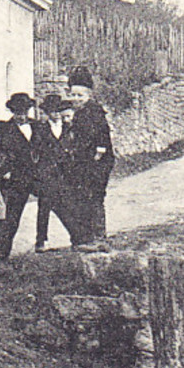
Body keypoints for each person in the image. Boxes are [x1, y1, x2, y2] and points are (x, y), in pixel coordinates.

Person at [63, 65, 116, 246]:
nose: (76, 99)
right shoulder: (76, 114)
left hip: (97, 162)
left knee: (94, 196)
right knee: (81, 197)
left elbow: (102, 135)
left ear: (89, 96)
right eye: (73, 95)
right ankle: (86, 237)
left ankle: (99, 236)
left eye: (80, 95)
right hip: (83, 162)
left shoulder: (95, 112)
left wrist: (98, 153)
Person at [0, 92, 39, 261]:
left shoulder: (38, 126)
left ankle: (80, 240)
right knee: (12, 218)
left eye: (24, 111)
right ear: (12, 111)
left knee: (61, 203)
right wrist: (5, 171)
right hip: (16, 180)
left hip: (37, 177)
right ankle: (1, 256)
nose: (21, 115)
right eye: (17, 112)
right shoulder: (4, 130)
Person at [32, 94, 74, 251]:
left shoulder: (69, 127)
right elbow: (35, 151)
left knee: (67, 205)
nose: (55, 114)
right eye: (51, 111)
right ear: (47, 112)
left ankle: (75, 237)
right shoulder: (40, 129)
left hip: (64, 173)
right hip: (46, 173)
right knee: (44, 207)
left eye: (57, 110)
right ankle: (41, 240)